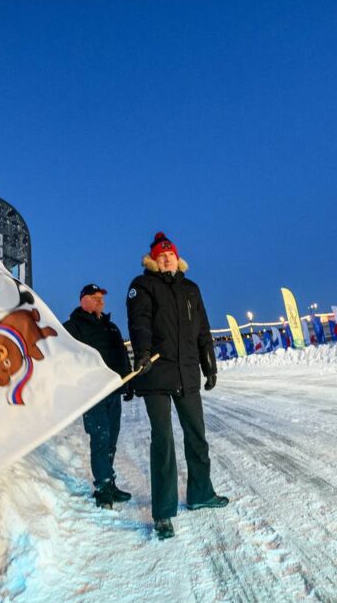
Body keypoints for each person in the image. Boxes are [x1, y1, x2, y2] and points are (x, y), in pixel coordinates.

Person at [126, 232, 227, 541]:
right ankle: (163, 513)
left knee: (197, 435)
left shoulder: (190, 289)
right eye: (161, 255)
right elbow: (139, 322)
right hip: (156, 372)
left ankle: (201, 493)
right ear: (153, 260)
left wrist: (209, 365)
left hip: (187, 372)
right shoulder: (142, 286)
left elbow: (203, 331)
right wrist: (143, 352)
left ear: (177, 257)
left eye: (170, 254)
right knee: (163, 441)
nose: (167, 258)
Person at [63, 283, 133, 509]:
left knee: (111, 439)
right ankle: (103, 489)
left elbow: (122, 355)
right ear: (82, 300)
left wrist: (128, 382)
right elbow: (64, 360)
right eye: (95, 297)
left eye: (102, 297)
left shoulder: (111, 327)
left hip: (113, 391)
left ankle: (109, 482)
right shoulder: (72, 328)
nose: (100, 301)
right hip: (91, 394)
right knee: (100, 438)